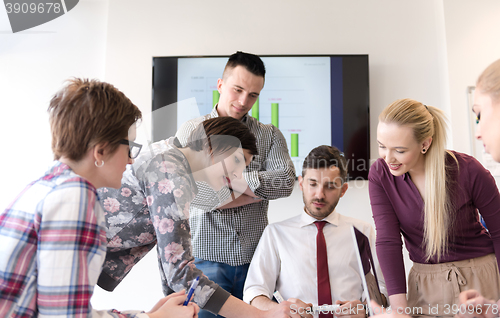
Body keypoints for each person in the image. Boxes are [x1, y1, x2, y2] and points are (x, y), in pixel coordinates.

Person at [0, 78, 199, 317]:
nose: (130, 160)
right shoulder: (74, 198)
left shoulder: (47, 186)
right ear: (100, 151)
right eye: (129, 147)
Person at [97, 116, 296, 318]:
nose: (238, 174)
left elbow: (169, 256)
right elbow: (181, 273)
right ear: (212, 145)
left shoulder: (171, 159)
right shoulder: (171, 174)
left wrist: (173, 304)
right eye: (237, 160)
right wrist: (260, 315)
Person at [175, 51, 296, 317]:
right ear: (220, 84)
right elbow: (196, 195)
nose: (243, 101)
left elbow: (286, 182)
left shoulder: (269, 134)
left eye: (253, 95)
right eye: (237, 89)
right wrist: (257, 192)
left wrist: (228, 184)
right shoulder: (191, 131)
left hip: (257, 259)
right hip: (206, 259)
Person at [369, 97, 500, 317]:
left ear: (425, 144)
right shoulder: (380, 174)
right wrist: (399, 310)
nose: (388, 157)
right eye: (382, 146)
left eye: (399, 150)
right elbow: (388, 240)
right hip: (425, 284)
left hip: (479, 277)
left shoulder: (469, 171)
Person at [243, 145, 387, 318]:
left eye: (330, 186)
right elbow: (253, 292)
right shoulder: (275, 233)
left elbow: (383, 290)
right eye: (313, 184)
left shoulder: (362, 231)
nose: (320, 195)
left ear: (343, 190)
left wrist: (366, 309)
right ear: (302, 184)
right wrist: (277, 310)